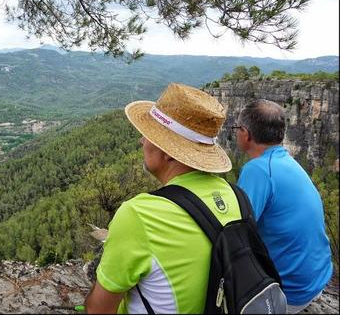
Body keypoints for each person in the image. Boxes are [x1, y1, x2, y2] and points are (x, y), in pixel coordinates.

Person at [85, 83, 241, 313]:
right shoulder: (237, 196)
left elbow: (98, 310)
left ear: (167, 151)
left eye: (148, 135)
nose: (141, 141)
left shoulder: (139, 215)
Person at [234, 99, 333, 314]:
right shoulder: (287, 161)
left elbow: (237, 231)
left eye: (236, 129)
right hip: (317, 277)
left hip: (290, 293)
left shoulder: (258, 170)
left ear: (246, 133)